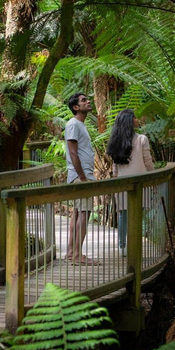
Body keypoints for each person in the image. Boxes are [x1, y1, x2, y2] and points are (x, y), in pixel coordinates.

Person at [106, 108, 154, 257]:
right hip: (140, 182)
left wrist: (115, 180)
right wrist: (153, 176)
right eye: (134, 118)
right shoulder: (141, 139)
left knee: (123, 215)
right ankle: (135, 245)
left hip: (122, 182)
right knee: (137, 214)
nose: (136, 120)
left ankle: (123, 247)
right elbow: (148, 161)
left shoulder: (116, 142)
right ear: (129, 121)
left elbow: (115, 166)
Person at [64, 92, 99, 265]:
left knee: (77, 214)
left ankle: (71, 253)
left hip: (81, 175)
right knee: (84, 213)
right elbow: (72, 152)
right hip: (81, 175)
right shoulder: (73, 125)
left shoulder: (80, 124)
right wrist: (83, 177)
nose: (88, 101)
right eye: (84, 100)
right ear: (76, 107)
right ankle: (77, 255)